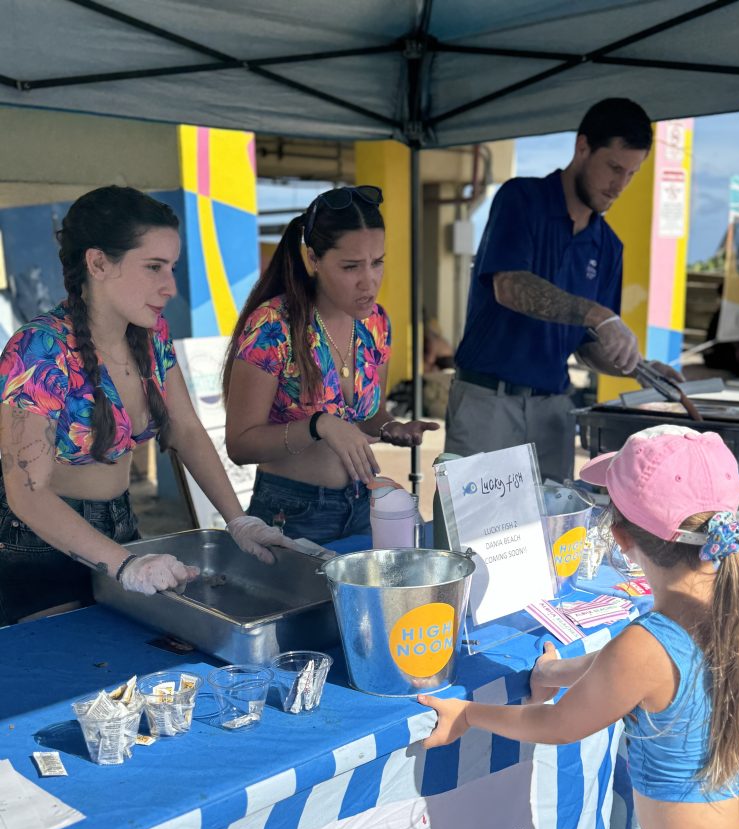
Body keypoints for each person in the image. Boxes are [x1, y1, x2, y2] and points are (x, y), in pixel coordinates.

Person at [419, 425, 739, 829]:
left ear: (622, 540)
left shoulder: (645, 646)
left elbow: (560, 724)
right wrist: (560, 671)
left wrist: (470, 713)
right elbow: (633, 670)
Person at [0, 185, 296, 627]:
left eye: (171, 267)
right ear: (98, 263)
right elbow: (28, 493)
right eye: (154, 267)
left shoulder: (151, 335)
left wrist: (238, 521)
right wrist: (125, 566)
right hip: (41, 545)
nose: (170, 286)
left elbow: (186, 429)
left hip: (123, 528)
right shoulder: (39, 349)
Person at [446, 97, 682, 483]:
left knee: (554, 519)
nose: (620, 185)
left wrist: (638, 368)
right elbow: (509, 286)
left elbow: (587, 346)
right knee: (473, 521)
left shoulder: (608, 246)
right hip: (488, 401)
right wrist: (600, 315)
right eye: (614, 168)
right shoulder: (521, 199)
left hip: (554, 410)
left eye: (632, 174)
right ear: (582, 147)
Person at [222, 185, 439, 545]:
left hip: (363, 501)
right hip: (291, 512)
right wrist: (318, 426)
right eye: (351, 266)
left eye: (377, 262)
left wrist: (391, 427)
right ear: (313, 260)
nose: (369, 280)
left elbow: (369, 414)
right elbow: (240, 445)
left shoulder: (375, 323)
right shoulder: (274, 325)